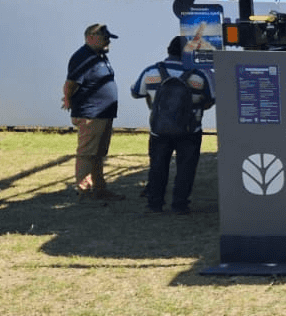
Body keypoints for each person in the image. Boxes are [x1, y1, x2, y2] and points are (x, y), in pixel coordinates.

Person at [130, 36, 215, 214]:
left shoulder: (151, 71)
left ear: (169, 50)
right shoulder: (200, 75)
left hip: (159, 130)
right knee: (186, 168)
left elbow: (136, 92)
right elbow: (210, 99)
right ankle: (180, 205)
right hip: (190, 130)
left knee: (157, 166)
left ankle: (155, 204)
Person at [62, 23, 123, 200]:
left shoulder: (100, 56)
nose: (108, 41)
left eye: (108, 37)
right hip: (91, 114)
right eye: (104, 37)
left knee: (99, 153)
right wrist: (67, 99)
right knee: (87, 154)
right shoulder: (82, 57)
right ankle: (84, 190)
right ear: (90, 37)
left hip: (103, 114)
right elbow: (71, 83)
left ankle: (99, 188)